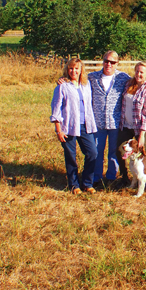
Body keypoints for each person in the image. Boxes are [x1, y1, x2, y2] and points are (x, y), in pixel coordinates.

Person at [50, 58, 98, 194]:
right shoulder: (62, 87)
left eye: (77, 68)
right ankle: (74, 185)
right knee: (71, 156)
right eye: (71, 68)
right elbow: (56, 109)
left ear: (81, 69)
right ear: (67, 70)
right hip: (68, 126)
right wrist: (58, 130)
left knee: (92, 153)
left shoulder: (86, 84)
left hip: (85, 125)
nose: (74, 71)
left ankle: (87, 183)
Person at [87, 51, 131, 187]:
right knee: (97, 151)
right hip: (98, 122)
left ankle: (112, 177)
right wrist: (62, 79)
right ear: (103, 61)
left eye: (112, 62)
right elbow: (75, 79)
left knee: (114, 152)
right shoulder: (92, 77)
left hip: (115, 123)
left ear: (117, 63)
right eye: (106, 61)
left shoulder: (123, 77)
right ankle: (96, 178)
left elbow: (137, 82)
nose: (109, 64)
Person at [117, 62, 146, 184]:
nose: (138, 74)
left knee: (143, 153)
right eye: (137, 71)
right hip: (126, 125)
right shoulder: (128, 83)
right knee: (120, 149)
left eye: (142, 72)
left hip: (140, 127)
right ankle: (124, 176)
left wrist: (142, 135)